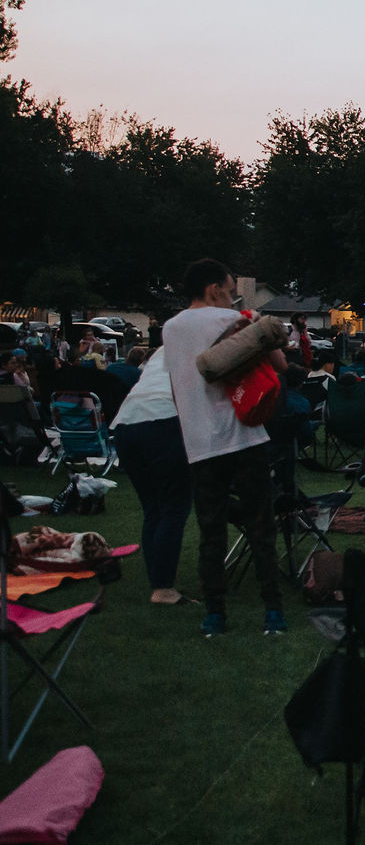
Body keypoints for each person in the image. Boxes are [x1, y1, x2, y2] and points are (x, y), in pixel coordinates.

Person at [163, 258, 287, 638]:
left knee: (210, 531)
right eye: (231, 288)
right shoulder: (233, 320)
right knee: (261, 527)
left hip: (199, 440)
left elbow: (175, 384)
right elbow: (280, 363)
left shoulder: (170, 328)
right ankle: (273, 613)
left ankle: (215, 614)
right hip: (244, 434)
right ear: (214, 288)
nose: (233, 295)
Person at [109, 347, 194, 605]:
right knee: (173, 507)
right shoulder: (205, 344)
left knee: (153, 508)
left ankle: (158, 581)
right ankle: (163, 588)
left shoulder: (162, 350)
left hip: (127, 423)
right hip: (163, 420)